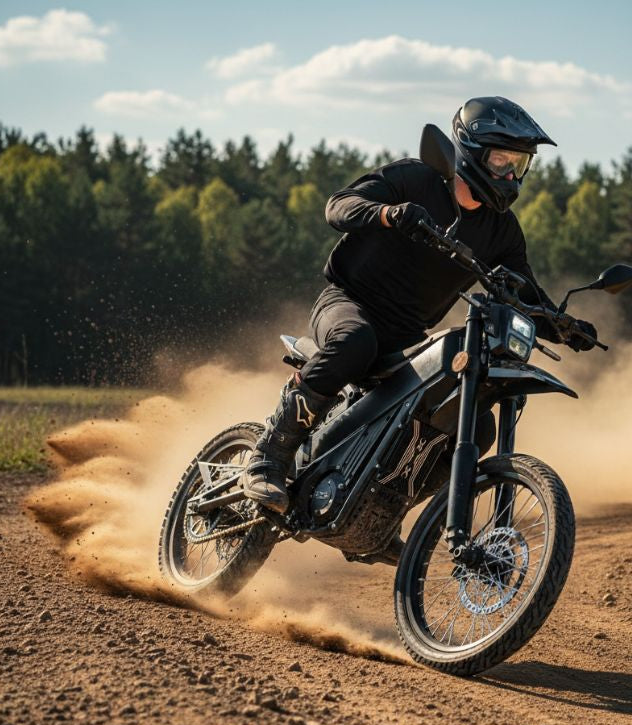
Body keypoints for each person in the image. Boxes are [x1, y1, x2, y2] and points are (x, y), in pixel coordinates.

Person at [240, 95, 597, 513]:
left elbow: (525, 294)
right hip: (348, 301)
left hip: (407, 336)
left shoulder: (503, 231)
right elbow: (337, 206)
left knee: (475, 421)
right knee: (355, 340)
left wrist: (564, 326)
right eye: (501, 160)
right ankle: (268, 457)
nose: (509, 174)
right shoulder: (416, 178)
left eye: (518, 164)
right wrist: (389, 214)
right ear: (471, 151)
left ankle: (381, 513)